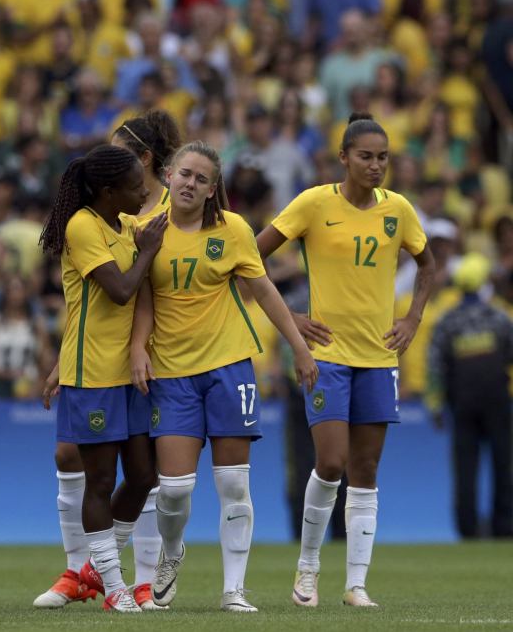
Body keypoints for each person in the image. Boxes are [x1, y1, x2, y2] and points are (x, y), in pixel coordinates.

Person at [254, 113, 435, 607]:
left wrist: (413, 319)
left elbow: (427, 264)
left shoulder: (398, 209)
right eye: (366, 157)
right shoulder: (314, 203)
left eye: (383, 158)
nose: (376, 166)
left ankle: (356, 584)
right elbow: (250, 257)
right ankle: (307, 569)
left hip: (378, 357)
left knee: (366, 469)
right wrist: (290, 317)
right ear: (344, 158)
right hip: (326, 354)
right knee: (330, 463)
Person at [129, 140, 317, 613]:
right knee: (173, 489)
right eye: (185, 174)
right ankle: (172, 553)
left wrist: (298, 346)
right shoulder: (144, 230)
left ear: (213, 190)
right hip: (171, 374)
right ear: (168, 174)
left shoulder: (233, 230)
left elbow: (265, 291)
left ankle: (234, 589)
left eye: (202, 179)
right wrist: (137, 348)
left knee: (234, 485)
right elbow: (142, 299)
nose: (191, 184)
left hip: (230, 368)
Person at [35, 110, 180, 611]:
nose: (145, 194)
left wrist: (142, 245)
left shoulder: (120, 224)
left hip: (130, 374)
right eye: (136, 186)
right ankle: (116, 589)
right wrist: (148, 251)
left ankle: (97, 570)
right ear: (108, 190)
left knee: (142, 477)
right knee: (99, 480)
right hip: (93, 372)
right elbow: (119, 291)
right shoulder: (80, 226)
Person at [427, 252, 513, 539]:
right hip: (497, 404)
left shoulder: (447, 321)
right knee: (504, 465)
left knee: (465, 469)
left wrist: (435, 405)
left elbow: (435, 365)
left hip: (462, 405)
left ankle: (468, 530)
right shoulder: (499, 318)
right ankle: (505, 528)